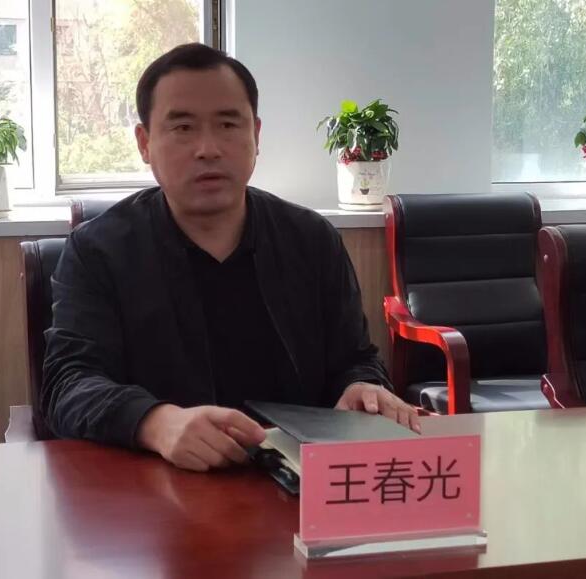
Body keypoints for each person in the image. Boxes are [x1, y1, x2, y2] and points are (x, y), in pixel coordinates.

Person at [43, 43, 413, 472]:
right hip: (155, 485)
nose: (208, 148)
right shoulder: (98, 251)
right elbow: (68, 384)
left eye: (227, 124)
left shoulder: (312, 240)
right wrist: (155, 423)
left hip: (295, 485)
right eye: (183, 127)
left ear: (256, 135)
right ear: (145, 143)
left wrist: (363, 387)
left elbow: (355, 359)